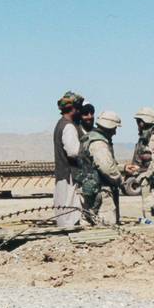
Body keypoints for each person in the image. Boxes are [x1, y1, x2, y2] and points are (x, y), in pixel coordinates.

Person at [76, 110, 125, 225]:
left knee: (88, 223)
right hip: (101, 192)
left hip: (88, 190)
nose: (115, 132)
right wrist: (120, 181)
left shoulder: (89, 138)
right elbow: (107, 168)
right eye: (114, 129)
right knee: (106, 226)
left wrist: (124, 167)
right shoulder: (99, 143)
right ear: (109, 127)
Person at [124, 107, 154, 218]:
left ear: (144, 122)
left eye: (139, 121)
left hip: (152, 180)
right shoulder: (145, 136)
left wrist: (146, 175)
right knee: (148, 211)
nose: (138, 124)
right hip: (147, 179)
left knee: (151, 212)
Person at [53, 91, 86, 228]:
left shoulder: (61, 124)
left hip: (64, 174)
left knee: (64, 209)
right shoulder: (69, 127)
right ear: (73, 109)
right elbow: (73, 152)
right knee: (70, 212)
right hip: (69, 175)